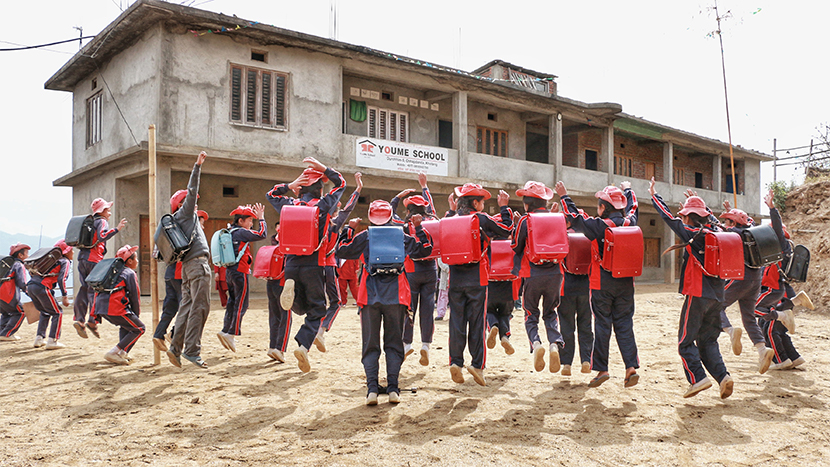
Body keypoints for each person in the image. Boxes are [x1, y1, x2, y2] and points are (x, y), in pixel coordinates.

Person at [336, 200, 432, 405]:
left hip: (369, 296)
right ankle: (393, 388)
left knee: (370, 344)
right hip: (396, 296)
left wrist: (349, 230)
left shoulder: (365, 235)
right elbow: (425, 250)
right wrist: (419, 228)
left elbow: (341, 251)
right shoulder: (402, 236)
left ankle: (372, 389)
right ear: (390, 216)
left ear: (371, 217)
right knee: (394, 343)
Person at [651, 178, 733, 399]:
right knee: (708, 340)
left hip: (697, 294)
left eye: (685, 215)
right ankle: (723, 376)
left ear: (687, 217)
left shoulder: (692, 233)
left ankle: (698, 378)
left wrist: (654, 195)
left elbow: (667, 218)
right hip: (718, 295)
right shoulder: (717, 231)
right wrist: (697, 205)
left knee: (685, 341)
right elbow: (710, 218)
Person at [557, 180, 640, 388]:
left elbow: (575, 219)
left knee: (603, 325)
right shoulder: (631, 222)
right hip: (626, 284)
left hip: (602, 283)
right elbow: (633, 206)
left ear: (603, 207)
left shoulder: (598, 226)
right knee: (624, 325)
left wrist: (564, 196)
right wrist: (628, 189)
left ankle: (602, 370)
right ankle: (630, 367)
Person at [266, 157, 345, 373]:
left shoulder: (288, 204)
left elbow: (270, 195)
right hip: (314, 264)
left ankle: (290, 287)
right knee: (317, 310)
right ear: (320, 190)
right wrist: (324, 169)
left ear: (299, 190)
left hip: (290, 264)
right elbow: (342, 184)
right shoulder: (322, 205)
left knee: (299, 306)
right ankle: (303, 345)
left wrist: (288, 186)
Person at [445, 184, 513, 386]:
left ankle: (455, 362)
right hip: (477, 278)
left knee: (456, 322)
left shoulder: (451, 219)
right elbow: (506, 230)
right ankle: (476, 365)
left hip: (455, 279)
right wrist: (504, 208)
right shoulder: (481, 219)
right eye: (482, 201)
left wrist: (451, 210)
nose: (483, 204)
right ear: (475, 203)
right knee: (476, 323)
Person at [715, 196, 776, 373]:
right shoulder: (752, 233)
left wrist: (713, 216)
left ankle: (730, 330)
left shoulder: (733, 234)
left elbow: (716, 229)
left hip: (740, 277)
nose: (725, 224)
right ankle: (762, 350)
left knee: (716, 305)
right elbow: (742, 221)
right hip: (756, 279)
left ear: (733, 223)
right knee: (748, 316)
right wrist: (731, 211)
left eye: (727, 221)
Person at [754, 190, 814, 370]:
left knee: (770, 327)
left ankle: (780, 360)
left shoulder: (782, 247)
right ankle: (794, 358)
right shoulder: (773, 253)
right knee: (772, 327)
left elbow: (778, 228)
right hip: (779, 293)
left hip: (777, 294)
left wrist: (772, 208)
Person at [166, 151, 212, 369]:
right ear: (182, 203)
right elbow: (193, 190)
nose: (195, 203)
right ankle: (192, 350)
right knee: (200, 307)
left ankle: (175, 348)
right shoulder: (186, 214)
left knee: (186, 306)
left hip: (187, 267)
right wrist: (197, 166)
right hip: (198, 265)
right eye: (190, 201)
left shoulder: (178, 219)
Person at [511, 181, 563, 373]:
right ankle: (554, 344)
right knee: (551, 312)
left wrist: (517, 226)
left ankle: (536, 343)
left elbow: (516, 245)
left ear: (527, 203)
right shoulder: (556, 218)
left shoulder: (526, 220)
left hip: (533, 274)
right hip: (555, 273)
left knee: (531, 313)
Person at [391, 172, 438, 365]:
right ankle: (425, 345)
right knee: (428, 310)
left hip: (411, 271)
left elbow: (388, 213)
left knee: (409, 309)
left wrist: (398, 197)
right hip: (431, 270)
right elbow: (431, 207)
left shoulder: (403, 224)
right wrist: (424, 186)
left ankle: (406, 344)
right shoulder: (432, 220)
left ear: (409, 209)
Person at [314, 172, 362, 353]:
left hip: (311, 266)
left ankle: (309, 338)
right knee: (337, 301)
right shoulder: (335, 224)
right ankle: (322, 329)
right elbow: (348, 209)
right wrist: (357, 189)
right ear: (335, 211)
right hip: (328, 266)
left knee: (316, 304)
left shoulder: (316, 221)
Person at [152, 210, 208, 352]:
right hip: (179, 272)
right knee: (188, 306)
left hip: (169, 272)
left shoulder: (168, 226)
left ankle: (159, 334)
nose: (202, 227)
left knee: (170, 307)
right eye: (201, 223)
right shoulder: (185, 227)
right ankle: (173, 334)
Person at [73, 198, 127, 339]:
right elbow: (102, 236)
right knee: (95, 291)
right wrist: (117, 229)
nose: (109, 212)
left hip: (82, 259)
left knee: (84, 289)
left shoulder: (90, 222)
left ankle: (79, 319)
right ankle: (92, 321)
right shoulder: (102, 222)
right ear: (102, 211)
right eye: (108, 210)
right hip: (94, 260)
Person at [217, 204, 267, 352]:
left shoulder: (230, 231)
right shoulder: (241, 232)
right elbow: (262, 234)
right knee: (242, 304)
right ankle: (231, 333)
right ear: (240, 221)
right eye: (250, 220)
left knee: (232, 302)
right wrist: (262, 218)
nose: (252, 224)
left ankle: (226, 330)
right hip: (240, 271)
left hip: (230, 272)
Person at [92, 245, 144, 365]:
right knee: (139, 328)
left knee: (126, 325)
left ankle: (122, 353)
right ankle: (114, 352)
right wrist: (136, 314)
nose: (137, 261)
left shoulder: (112, 272)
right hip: (115, 307)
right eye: (136, 259)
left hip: (101, 307)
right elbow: (134, 296)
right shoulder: (129, 273)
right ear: (129, 261)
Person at [558, 216, 593, 376]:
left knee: (566, 325)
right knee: (585, 325)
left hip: (566, 286)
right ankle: (586, 359)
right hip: (586, 286)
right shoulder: (590, 237)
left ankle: (566, 363)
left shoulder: (563, 236)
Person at [29, 240, 73, 349]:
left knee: (45, 311)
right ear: (66, 252)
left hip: (31, 286)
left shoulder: (49, 261)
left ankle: (39, 338)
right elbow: (61, 279)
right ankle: (52, 340)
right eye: (71, 250)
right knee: (58, 312)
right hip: (43, 287)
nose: (73, 253)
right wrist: (65, 296)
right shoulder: (64, 262)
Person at [266, 221, 291, 362]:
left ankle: (272, 346)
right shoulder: (288, 246)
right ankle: (280, 348)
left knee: (274, 316)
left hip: (270, 282)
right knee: (285, 317)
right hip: (283, 283)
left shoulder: (273, 243)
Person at [0, 243, 31, 341]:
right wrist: (30, 293)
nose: (28, 256)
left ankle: (1, 333)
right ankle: (7, 334)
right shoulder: (18, 264)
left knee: (6, 313)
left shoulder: (6, 265)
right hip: (8, 294)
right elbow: (22, 282)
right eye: (27, 253)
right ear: (20, 255)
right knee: (21, 312)